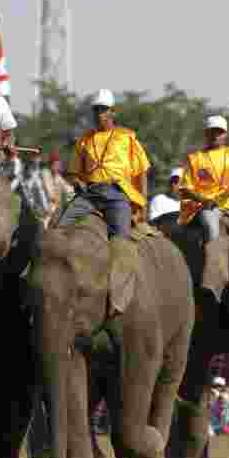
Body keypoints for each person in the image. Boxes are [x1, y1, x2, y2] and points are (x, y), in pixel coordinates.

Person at [57, 89, 151, 315]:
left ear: (112, 112)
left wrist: (143, 203)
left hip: (117, 194)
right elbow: (72, 173)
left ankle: (119, 298)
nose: (98, 114)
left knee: (121, 243)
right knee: (58, 231)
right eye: (96, 110)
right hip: (89, 194)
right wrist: (77, 182)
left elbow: (142, 171)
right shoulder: (84, 140)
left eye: (103, 110)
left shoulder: (127, 137)